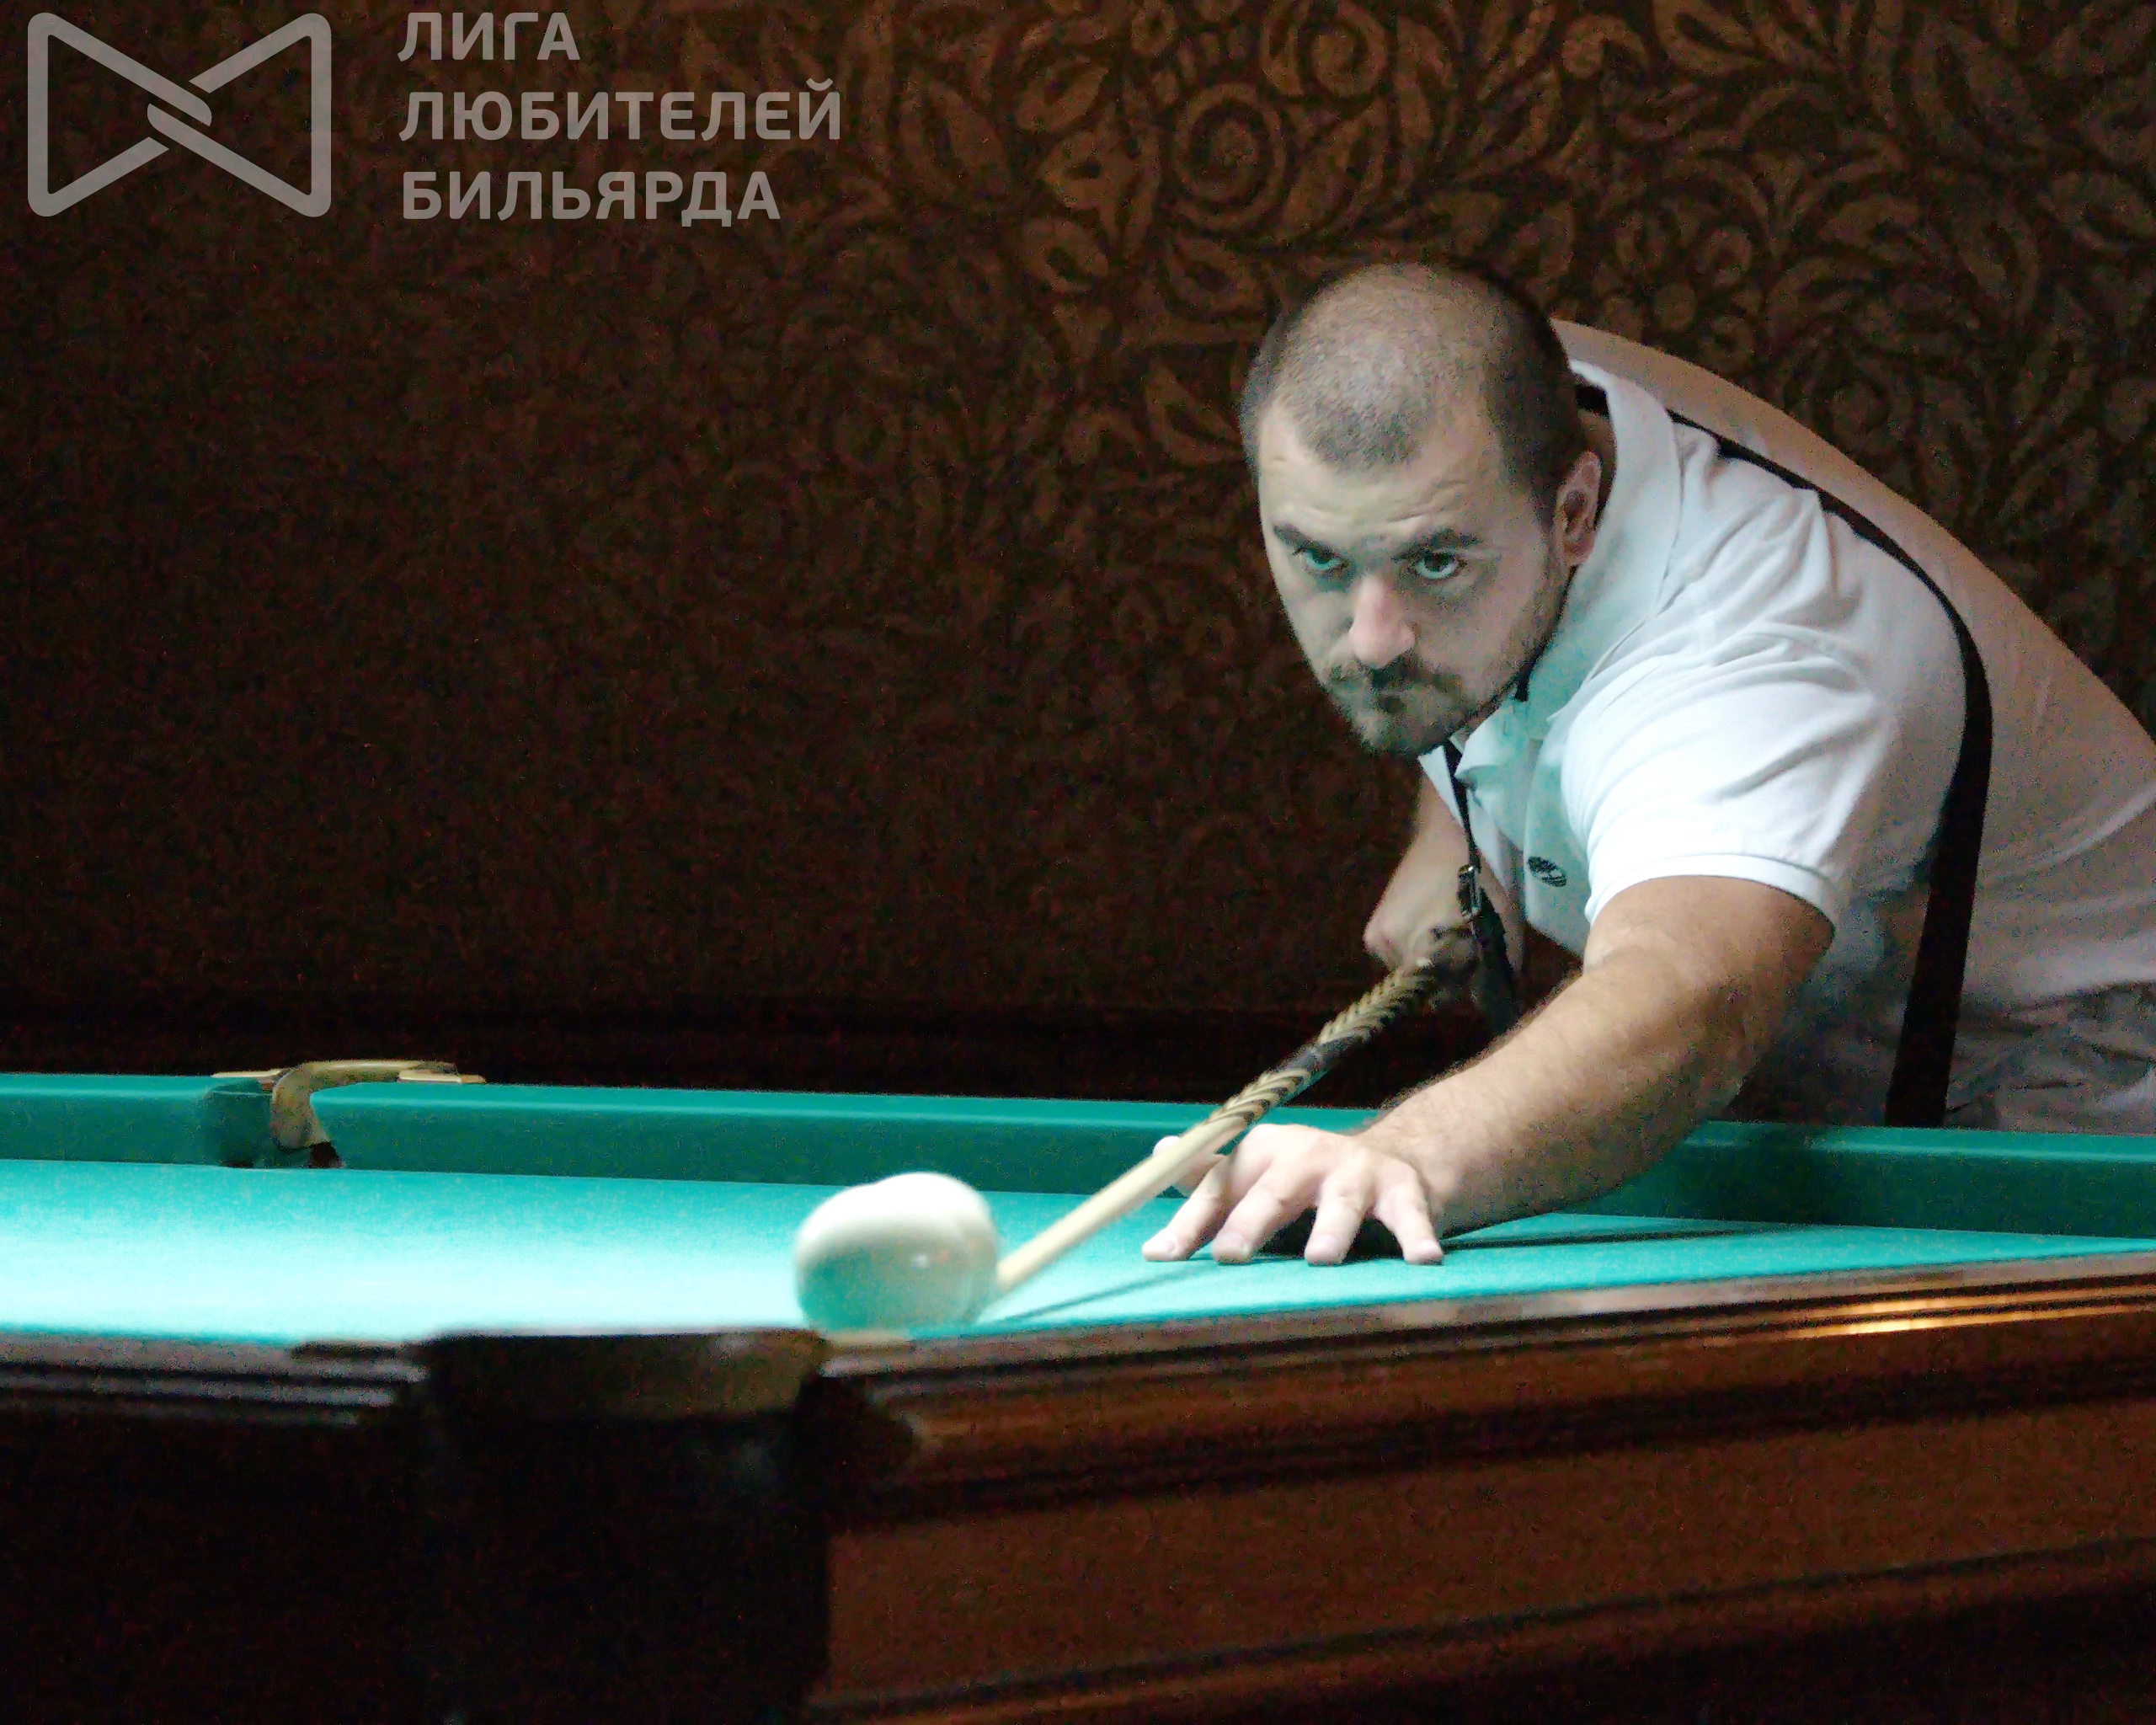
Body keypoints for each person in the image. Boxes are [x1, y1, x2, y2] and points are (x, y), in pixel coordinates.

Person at [1144, 261, 2156, 1270]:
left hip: (2082, 1121)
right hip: (1834, 1100)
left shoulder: (1748, 659)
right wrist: (1451, 826)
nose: (1370, 641)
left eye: (1434, 563)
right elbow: (1420, 551)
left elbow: (1688, 991)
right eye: (1320, 559)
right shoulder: (1498, 401)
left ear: (1572, 513)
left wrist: (1405, 1153)